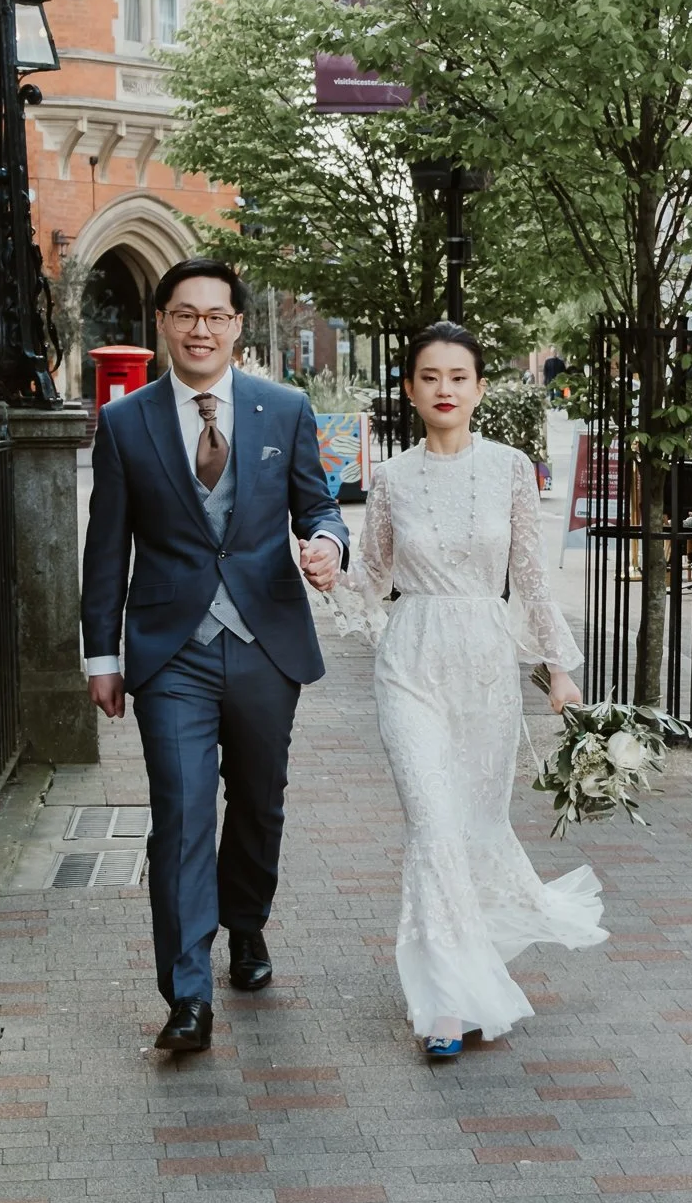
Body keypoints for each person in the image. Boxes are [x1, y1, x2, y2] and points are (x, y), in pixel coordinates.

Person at [80, 256, 349, 1054]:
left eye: (216, 315)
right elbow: (106, 548)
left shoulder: (284, 407)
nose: (201, 328)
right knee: (183, 814)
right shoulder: (127, 423)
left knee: (259, 804)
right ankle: (187, 994)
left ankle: (247, 924)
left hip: (267, 641)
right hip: (170, 654)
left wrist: (328, 544)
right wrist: (102, 653)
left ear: (236, 326)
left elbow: (320, 503)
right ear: (161, 322)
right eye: (185, 313)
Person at [338, 321, 605, 1060]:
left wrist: (559, 666)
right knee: (432, 825)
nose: (444, 389)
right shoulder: (390, 478)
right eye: (429, 376)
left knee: (474, 827)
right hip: (411, 662)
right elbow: (374, 580)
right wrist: (327, 573)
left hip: (485, 666)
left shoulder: (512, 468)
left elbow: (530, 576)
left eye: (458, 376)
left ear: (480, 387)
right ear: (410, 389)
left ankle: (466, 958)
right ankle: (447, 1002)